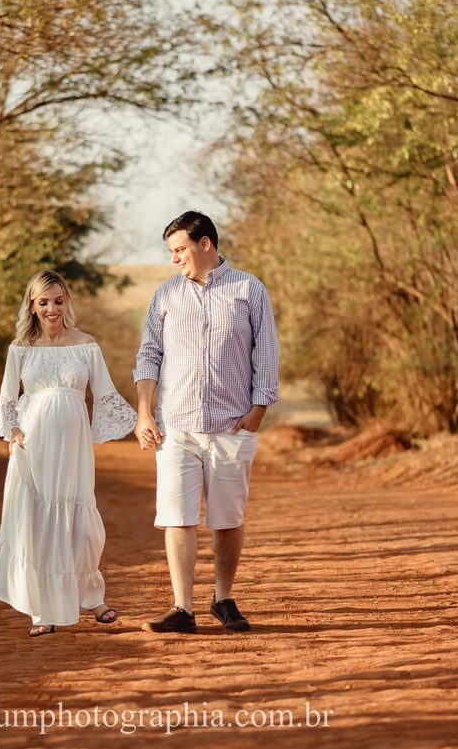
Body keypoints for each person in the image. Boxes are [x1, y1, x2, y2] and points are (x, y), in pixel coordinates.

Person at [133, 211, 279, 634]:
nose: (174, 258)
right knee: (177, 516)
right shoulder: (165, 295)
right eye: (171, 252)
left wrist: (256, 414)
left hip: (232, 425)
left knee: (227, 519)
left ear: (205, 245)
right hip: (176, 425)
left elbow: (266, 356)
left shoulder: (249, 289)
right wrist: (145, 410)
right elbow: (148, 355)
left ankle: (223, 598)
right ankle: (182, 609)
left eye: (179, 249)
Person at [0, 270, 138, 636]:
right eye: (44, 302)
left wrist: (140, 424)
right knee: (38, 519)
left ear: (67, 301)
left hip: (73, 444)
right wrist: (13, 430)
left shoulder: (86, 344)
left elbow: (105, 393)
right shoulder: (20, 348)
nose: (52, 309)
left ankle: (92, 596)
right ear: (32, 305)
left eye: (58, 301)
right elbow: (9, 396)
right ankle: (42, 610)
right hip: (33, 443)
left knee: (80, 519)